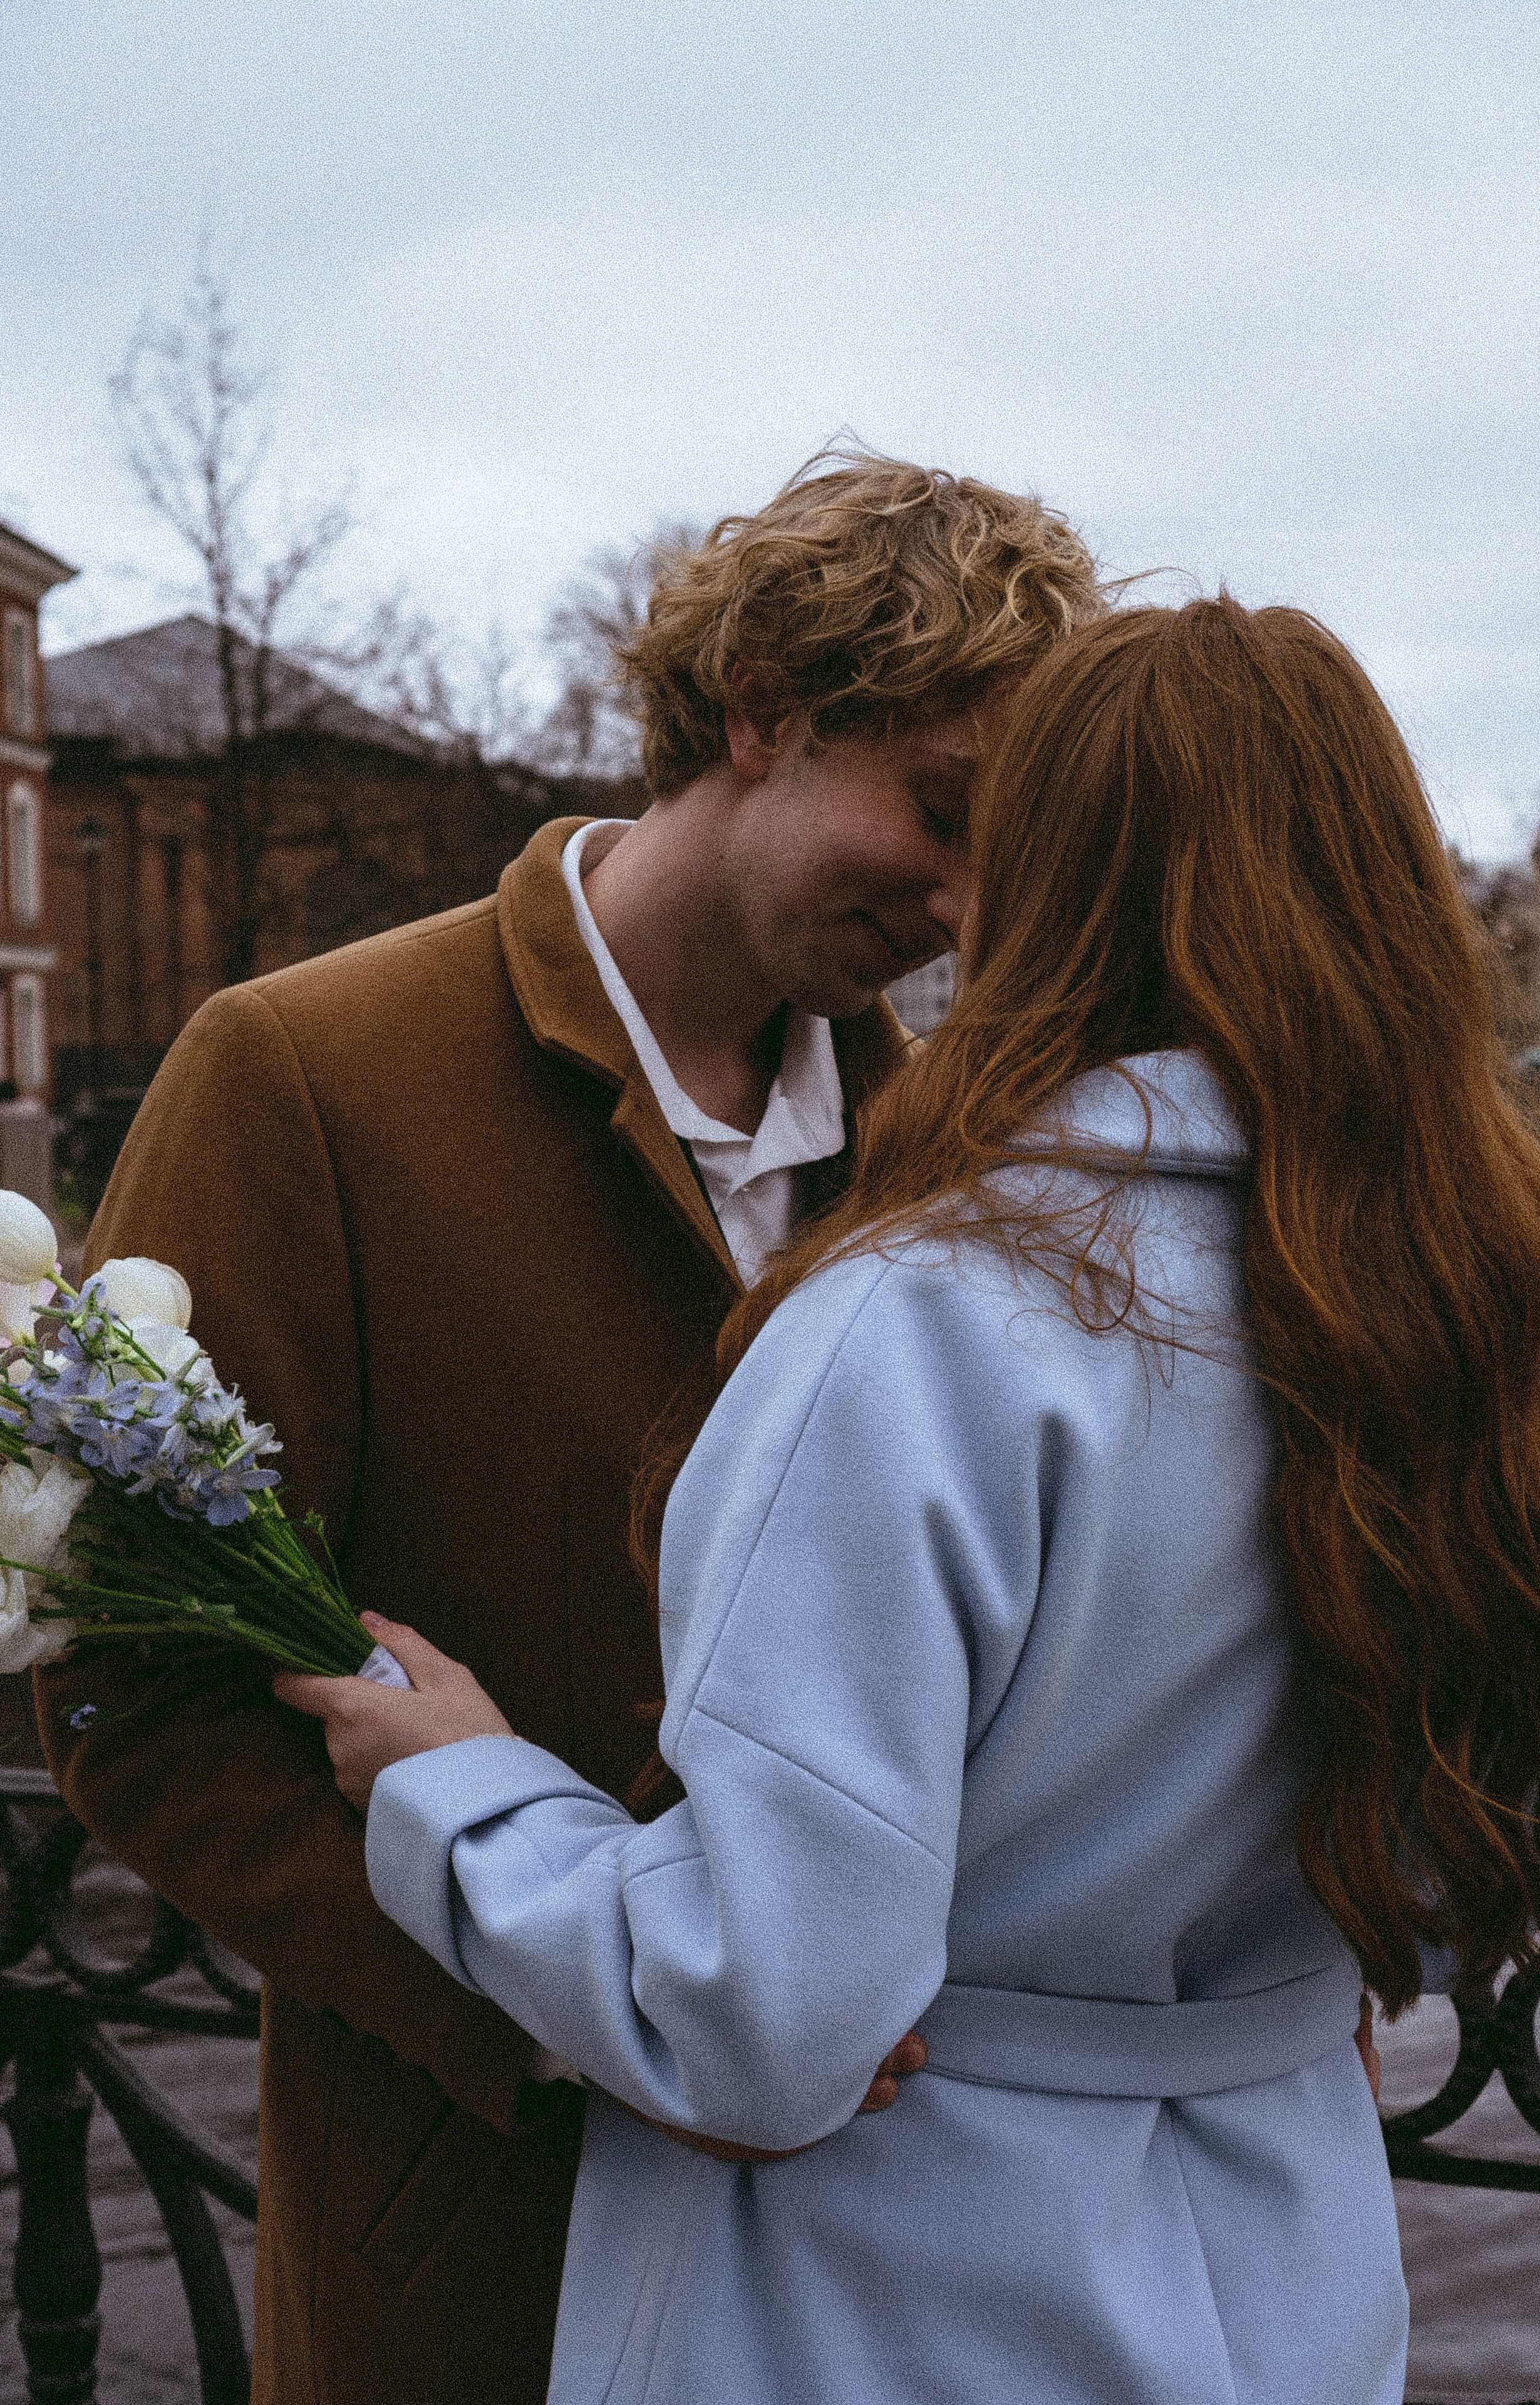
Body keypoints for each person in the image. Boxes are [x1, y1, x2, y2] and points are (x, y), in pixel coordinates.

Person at [283, 597, 1540, 2404]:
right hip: (1289, 2266)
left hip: (887, 2288)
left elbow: (763, 2017)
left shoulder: (922, 1321)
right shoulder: (1490, 1306)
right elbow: (1465, 1884)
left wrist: (461, 1791)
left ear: (1042, 887)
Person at [34, 454, 1102, 2405]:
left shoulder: (963, 1151)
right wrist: (573, 2010)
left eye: (999, 861)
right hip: (483, 2228)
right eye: (939, 814)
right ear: (764, 707)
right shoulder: (299, 1070)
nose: (957, 911)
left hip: (899, 2234)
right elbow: (136, 1691)